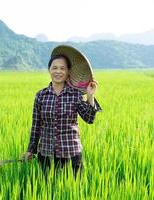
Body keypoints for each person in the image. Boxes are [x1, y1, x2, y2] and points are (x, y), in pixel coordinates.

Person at [23, 46, 102, 178]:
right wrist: (31, 150)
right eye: (54, 68)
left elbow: (89, 119)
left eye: (62, 68)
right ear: (49, 70)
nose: (58, 71)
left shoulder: (75, 95)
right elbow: (36, 126)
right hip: (46, 153)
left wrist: (90, 96)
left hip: (71, 153)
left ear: (68, 72)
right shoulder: (41, 95)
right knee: (47, 191)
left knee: (74, 191)